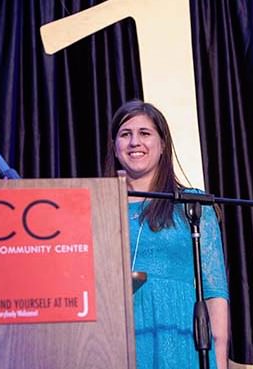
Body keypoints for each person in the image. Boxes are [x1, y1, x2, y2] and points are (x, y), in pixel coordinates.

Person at [104, 99, 229, 369]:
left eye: (145, 133)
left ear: (162, 146)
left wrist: (218, 359)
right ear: (115, 147)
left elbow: (215, 291)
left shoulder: (193, 206)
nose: (134, 142)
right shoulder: (98, 209)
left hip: (179, 340)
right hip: (116, 342)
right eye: (125, 135)